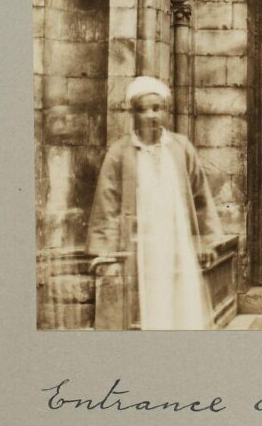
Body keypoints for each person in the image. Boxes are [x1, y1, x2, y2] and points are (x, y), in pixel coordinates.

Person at [87, 77, 223, 330]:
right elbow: (107, 204)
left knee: (181, 306)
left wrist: (206, 240)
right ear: (133, 114)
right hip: (139, 246)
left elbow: (200, 196)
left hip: (177, 242)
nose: (151, 115)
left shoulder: (181, 147)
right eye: (143, 109)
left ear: (166, 111)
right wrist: (105, 253)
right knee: (145, 308)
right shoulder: (119, 153)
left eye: (157, 108)